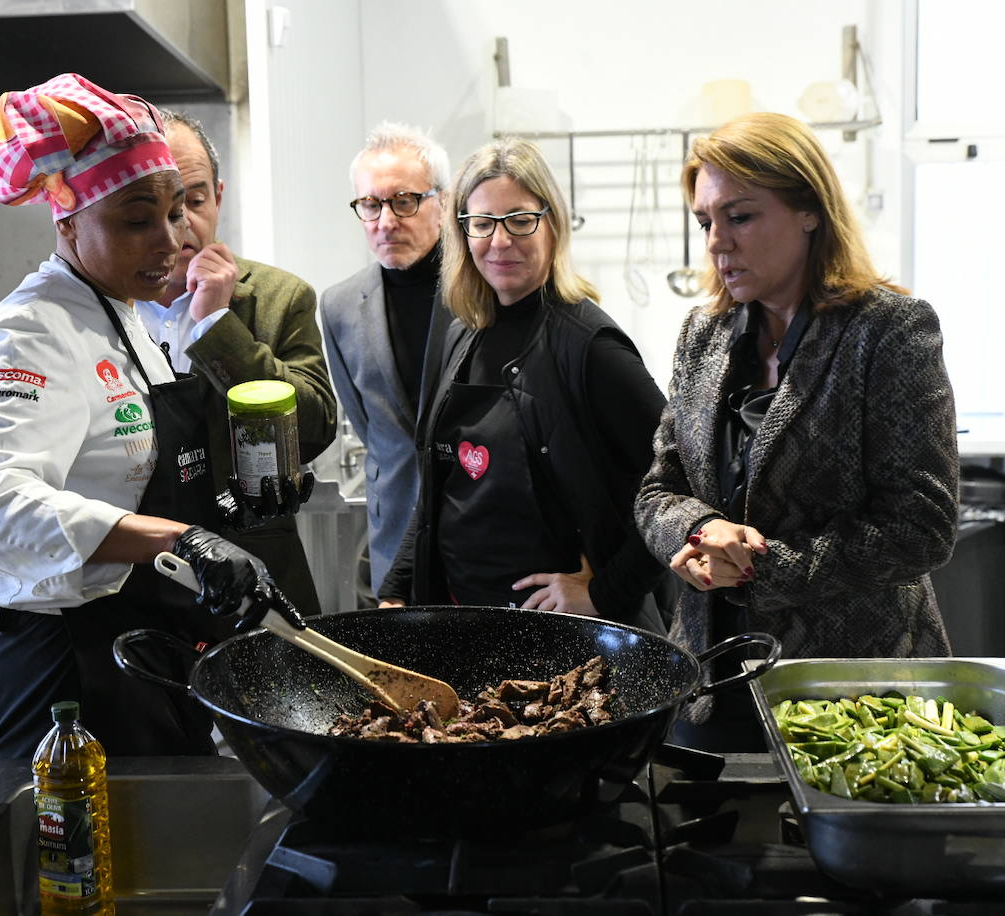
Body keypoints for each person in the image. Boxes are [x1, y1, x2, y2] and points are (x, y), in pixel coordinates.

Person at [0, 73, 296, 760]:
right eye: (138, 219)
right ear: (68, 220)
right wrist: (179, 540)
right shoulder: (31, 331)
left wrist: (233, 504)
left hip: (134, 641)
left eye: (175, 212)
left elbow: (134, 467)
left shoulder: (123, 316)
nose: (169, 239)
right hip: (63, 668)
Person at [634, 112, 959, 751]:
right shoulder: (703, 337)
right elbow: (658, 491)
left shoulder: (888, 331)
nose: (716, 244)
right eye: (706, 222)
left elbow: (923, 526)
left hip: (853, 693)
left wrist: (760, 568)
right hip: (709, 678)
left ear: (809, 210)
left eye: (741, 216)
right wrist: (702, 534)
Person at [378, 138, 668, 632]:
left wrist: (604, 590)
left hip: (563, 636)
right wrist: (397, 588)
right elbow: (440, 485)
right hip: (462, 621)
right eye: (482, 224)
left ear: (552, 223)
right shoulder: (462, 333)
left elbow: (678, 486)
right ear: (462, 233)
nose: (499, 241)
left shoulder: (591, 347)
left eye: (519, 220)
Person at [135, 109, 335, 617]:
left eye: (194, 200)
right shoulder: (101, 310)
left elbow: (314, 427)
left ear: (218, 198)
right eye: (154, 207)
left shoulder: (277, 298)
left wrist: (216, 327)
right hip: (138, 578)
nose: (179, 225)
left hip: (255, 574)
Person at [319, 123, 453, 601]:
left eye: (404, 201)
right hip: (394, 522)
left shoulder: (481, 289)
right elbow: (370, 423)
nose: (386, 221)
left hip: (479, 524)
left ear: (443, 201)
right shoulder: (338, 306)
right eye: (370, 205)